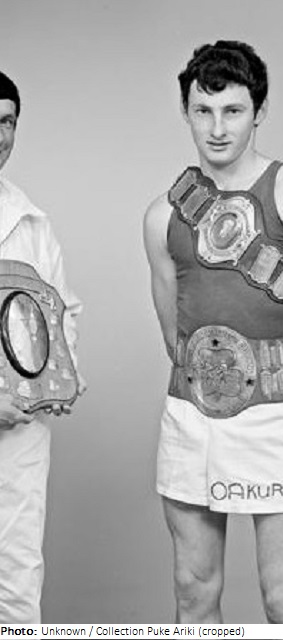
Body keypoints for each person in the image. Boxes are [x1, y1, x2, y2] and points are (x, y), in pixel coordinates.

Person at [144, 41, 283, 623]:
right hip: (191, 417)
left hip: (274, 418)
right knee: (193, 590)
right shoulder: (161, 217)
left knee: (282, 597)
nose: (217, 128)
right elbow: (175, 337)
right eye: (203, 111)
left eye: (233, 111)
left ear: (259, 111)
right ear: (186, 112)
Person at [0, 70, 83, 623]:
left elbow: (61, 310)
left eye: (7, 122)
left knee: (17, 573)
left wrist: (56, 378)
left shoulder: (30, 221)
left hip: (20, 429)